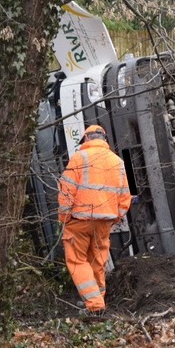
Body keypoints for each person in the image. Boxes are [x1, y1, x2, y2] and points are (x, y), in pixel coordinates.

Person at [58, 124, 132, 317]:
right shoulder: (118, 162)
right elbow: (125, 197)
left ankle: (96, 306)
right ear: (104, 139)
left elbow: (66, 191)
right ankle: (98, 302)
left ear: (85, 140)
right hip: (104, 222)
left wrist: (64, 217)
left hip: (79, 221)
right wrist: (115, 218)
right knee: (97, 263)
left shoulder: (78, 158)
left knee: (77, 261)